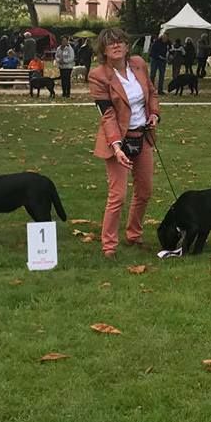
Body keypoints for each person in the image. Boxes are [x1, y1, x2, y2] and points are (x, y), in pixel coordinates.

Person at [88, 27, 161, 259]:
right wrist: (117, 147)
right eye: (111, 43)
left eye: (120, 41)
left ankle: (134, 234)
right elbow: (107, 114)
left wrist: (154, 114)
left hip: (143, 136)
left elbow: (152, 92)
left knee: (145, 190)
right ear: (104, 50)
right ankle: (109, 246)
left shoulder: (139, 64)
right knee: (117, 196)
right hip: (118, 141)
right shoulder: (98, 76)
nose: (116, 46)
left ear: (127, 46)